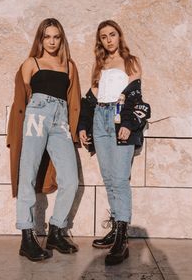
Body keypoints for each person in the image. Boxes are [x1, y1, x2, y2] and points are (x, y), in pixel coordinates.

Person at [7, 18, 81, 262]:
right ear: (40, 38)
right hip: (36, 117)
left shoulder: (69, 66)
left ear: (61, 39)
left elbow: (74, 102)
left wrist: (77, 129)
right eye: (47, 36)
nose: (51, 41)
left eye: (56, 37)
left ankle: (56, 231)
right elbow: (22, 99)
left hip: (61, 123)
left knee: (70, 179)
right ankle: (27, 237)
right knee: (27, 175)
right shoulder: (31, 63)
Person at [79, 20, 150, 266]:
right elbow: (91, 98)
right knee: (109, 179)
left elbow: (134, 95)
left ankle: (122, 238)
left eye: (112, 34)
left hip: (120, 119)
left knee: (120, 180)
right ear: (100, 41)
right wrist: (82, 126)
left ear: (119, 36)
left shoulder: (131, 61)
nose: (109, 40)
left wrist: (128, 125)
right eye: (104, 37)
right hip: (100, 119)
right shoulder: (100, 64)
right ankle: (116, 229)